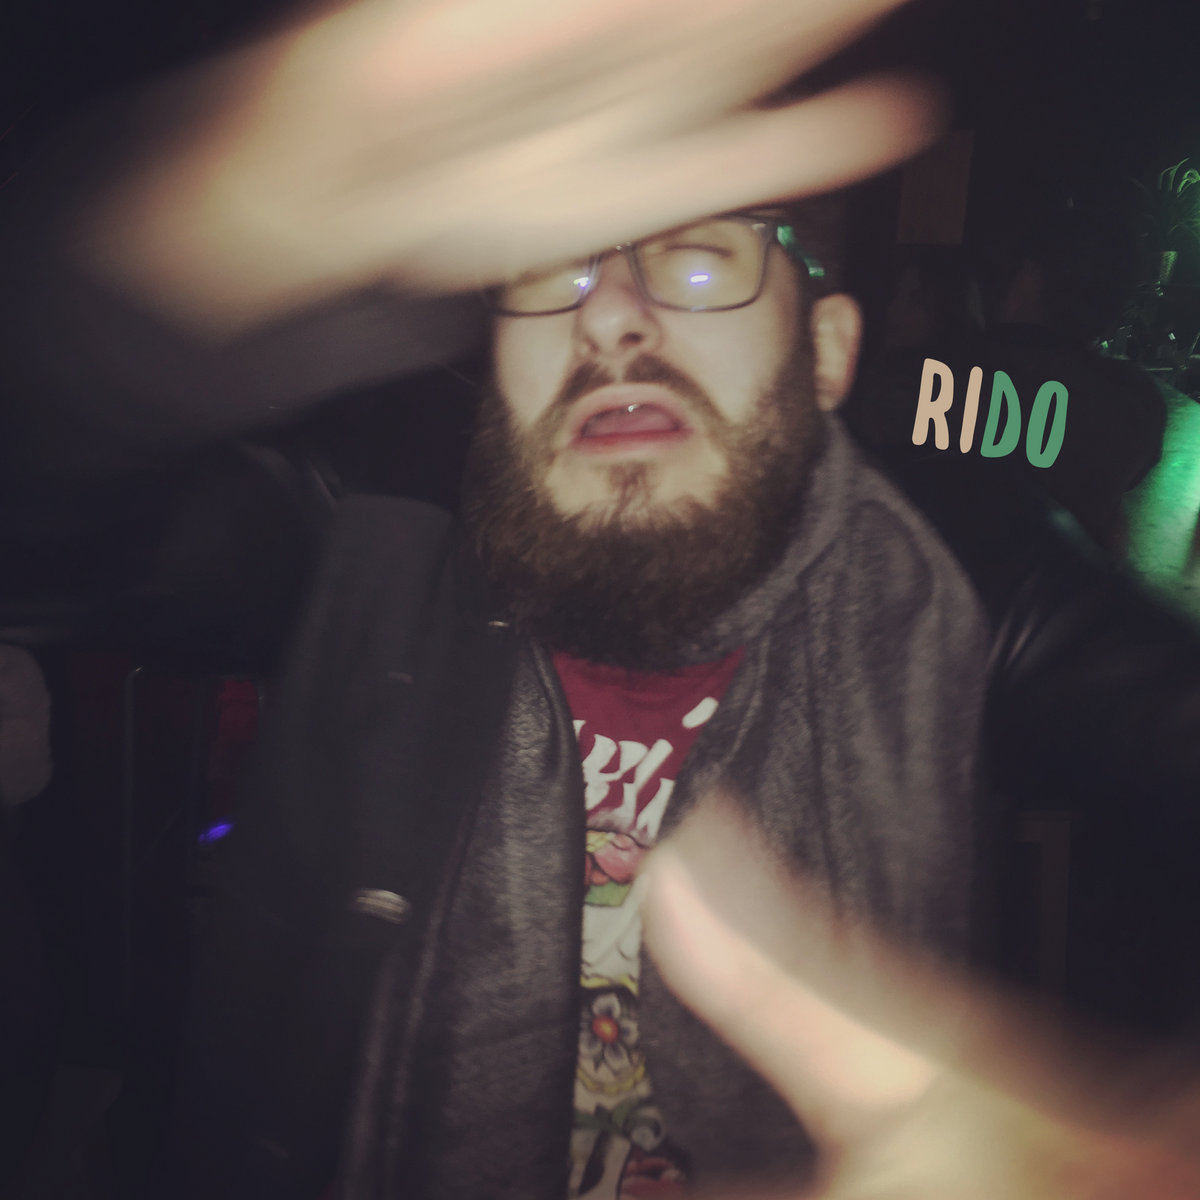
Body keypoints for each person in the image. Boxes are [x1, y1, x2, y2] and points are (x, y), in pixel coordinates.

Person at [3, 0, 1199, 1196]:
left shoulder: (956, 580)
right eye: (554, 268)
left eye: (701, 258)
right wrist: (131, 298)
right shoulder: (375, 536)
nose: (612, 312)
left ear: (828, 354)